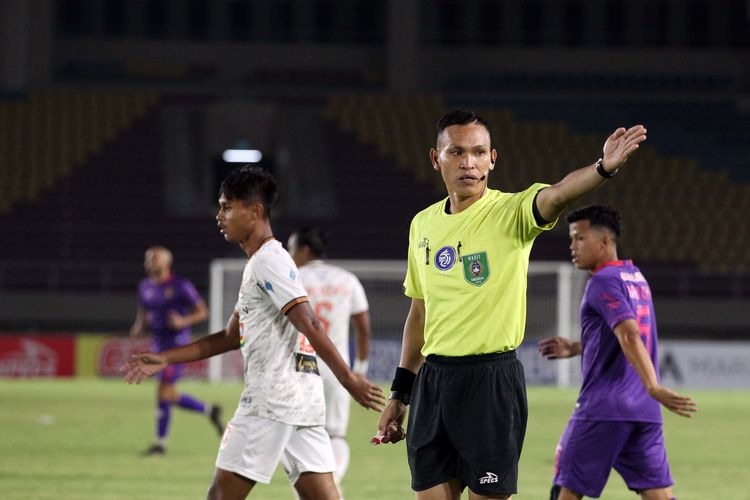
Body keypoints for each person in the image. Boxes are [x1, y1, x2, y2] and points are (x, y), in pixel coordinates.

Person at [375, 109, 648, 500]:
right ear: (436, 159)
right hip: (433, 384)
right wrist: (400, 394)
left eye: (477, 152)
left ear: (492, 159)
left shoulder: (511, 213)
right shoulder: (422, 225)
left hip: (490, 382)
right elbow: (419, 311)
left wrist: (603, 168)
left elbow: (558, 193)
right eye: (456, 152)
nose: (468, 162)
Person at [122, 165, 385, 500]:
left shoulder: (268, 262)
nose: (219, 215)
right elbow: (230, 337)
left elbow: (309, 322)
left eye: (227, 206)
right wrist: (164, 357)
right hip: (302, 400)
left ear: (255, 211)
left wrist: (349, 380)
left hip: (269, 401)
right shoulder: (265, 262)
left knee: (220, 495)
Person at [538, 204, 697, 500]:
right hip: (644, 412)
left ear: (604, 242)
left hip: (604, 408)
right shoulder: (634, 276)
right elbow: (620, 336)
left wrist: (654, 386)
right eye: (571, 239)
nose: (572, 246)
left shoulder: (602, 281)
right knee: (659, 495)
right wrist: (576, 347)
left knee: (564, 489)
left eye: (579, 238)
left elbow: (628, 333)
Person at [287, 226, 372, 492]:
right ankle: (331, 483)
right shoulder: (346, 280)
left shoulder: (291, 278)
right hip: (338, 370)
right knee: (335, 434)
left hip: (299, 368)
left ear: (304, 250)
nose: (288, 255)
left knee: (299, 434)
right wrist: (359, 368)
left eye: (291, 249)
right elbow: (363, 326)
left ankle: (320, 488)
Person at [130, 245, 222, 456]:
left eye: (154, 259)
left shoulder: (180, 285)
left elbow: (202, 312)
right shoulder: (144, 286)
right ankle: (209, 410)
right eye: (147, 259)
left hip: (177, 346)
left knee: (163, 390)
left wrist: (183, 321)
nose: (149, 263)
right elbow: (143, 309)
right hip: (158, 345)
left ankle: (160, 445)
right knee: (169, 394)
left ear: (166, 263)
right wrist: (138, 325)